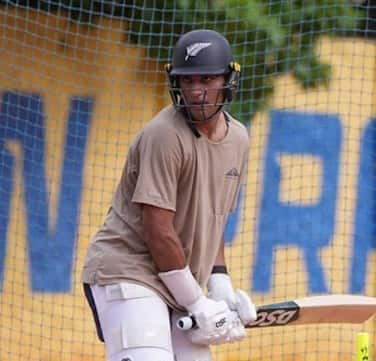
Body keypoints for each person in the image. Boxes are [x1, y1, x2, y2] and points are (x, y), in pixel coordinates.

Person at [81, 29, 255, 361]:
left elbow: (215, 218)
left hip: (177, 282)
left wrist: (220, 284)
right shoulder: (164, 135)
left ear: (228, 79)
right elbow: (158, 231)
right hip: (130, 272)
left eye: (207, 79)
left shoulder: (239, 140)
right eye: (187, 81)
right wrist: (197, 303)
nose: (196, 91)